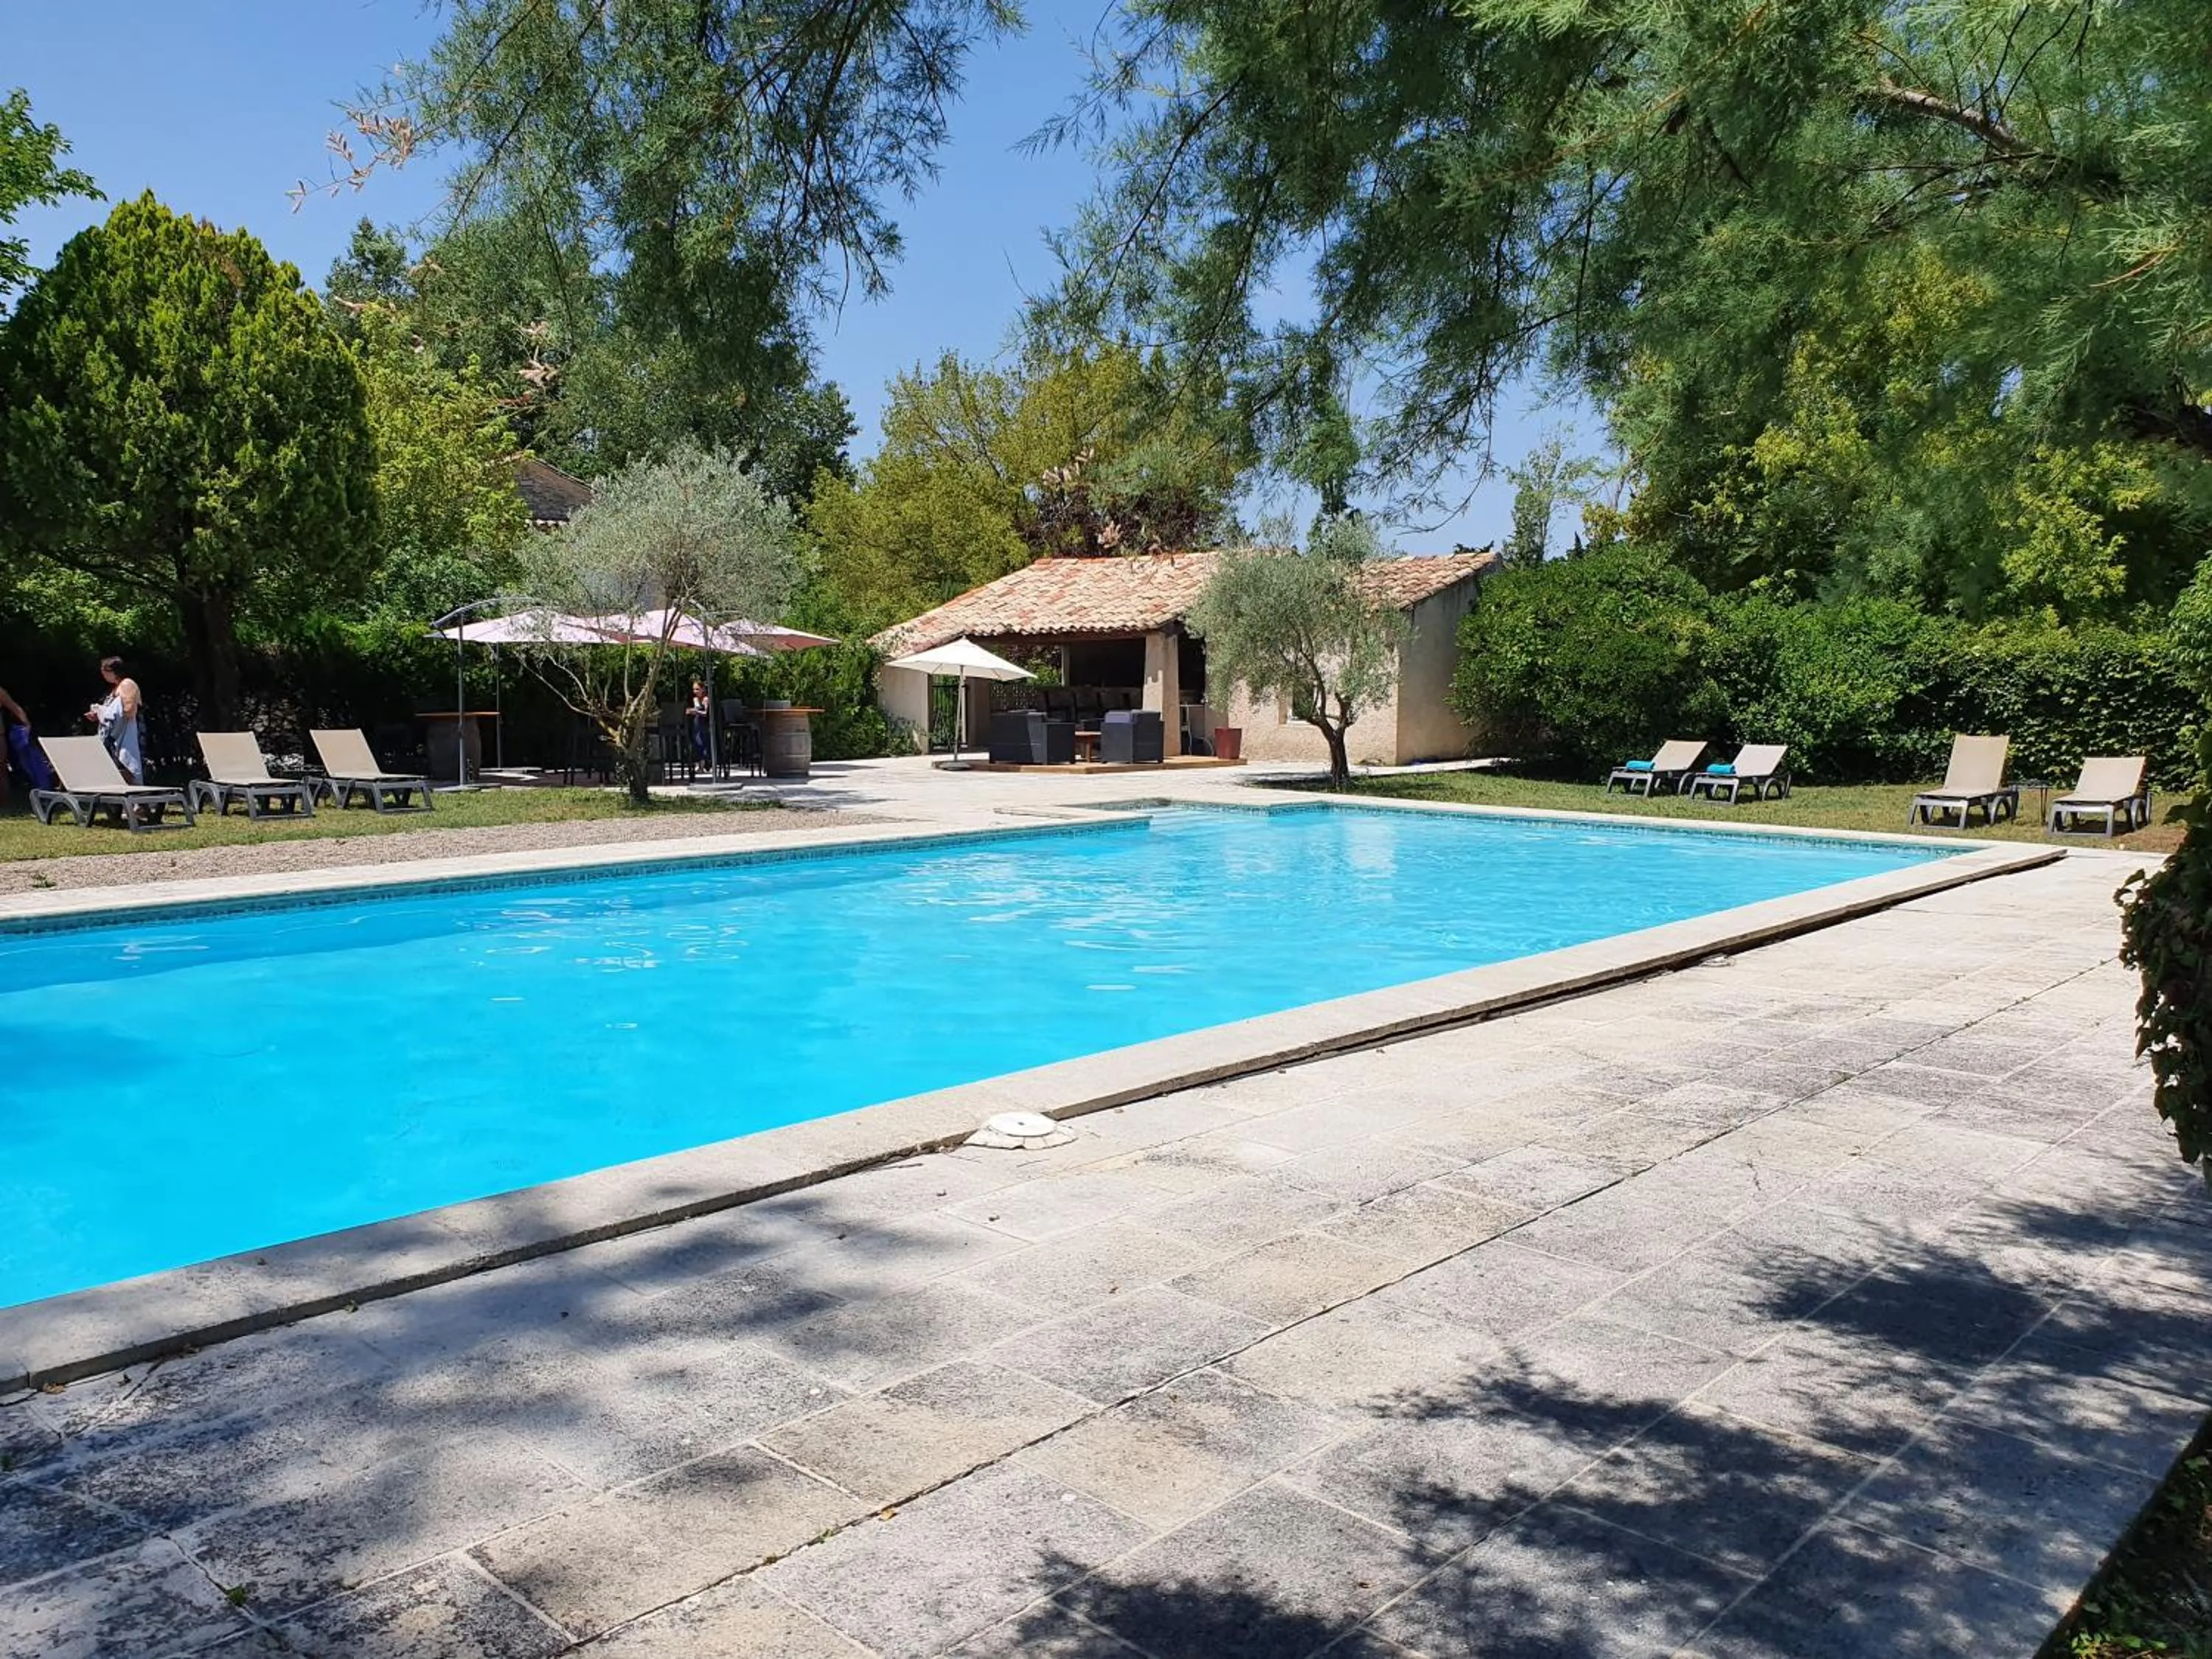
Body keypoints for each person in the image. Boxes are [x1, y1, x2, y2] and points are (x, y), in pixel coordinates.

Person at [86, 655, 143, 784]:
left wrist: (104, 712)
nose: (103, 674)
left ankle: (138, 799)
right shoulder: (116, 688)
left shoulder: (127, 684)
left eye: (104, 671)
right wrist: (98, 714)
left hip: (126, 735)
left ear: (112, 671)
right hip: (115, 736)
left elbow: (128, 711)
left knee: (127, 766)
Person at [686, 677, 713, 770]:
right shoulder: (694, 700)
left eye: (697, 689)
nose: (695, 691)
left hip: (704, 725)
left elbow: (706, 713)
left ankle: (705, 762)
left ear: (703, 689)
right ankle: (699, 762)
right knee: (696, 742)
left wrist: (696, 712)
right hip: (696, 725)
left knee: (703, 742)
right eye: (694, 689)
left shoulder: (705, 699)